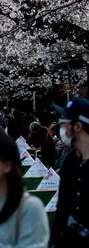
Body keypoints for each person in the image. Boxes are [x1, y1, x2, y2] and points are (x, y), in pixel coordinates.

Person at [51, 98, 89, 246]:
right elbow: (62, 208)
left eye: (64, 123)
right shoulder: (70, 161)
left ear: (78, 126)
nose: (61, 127)